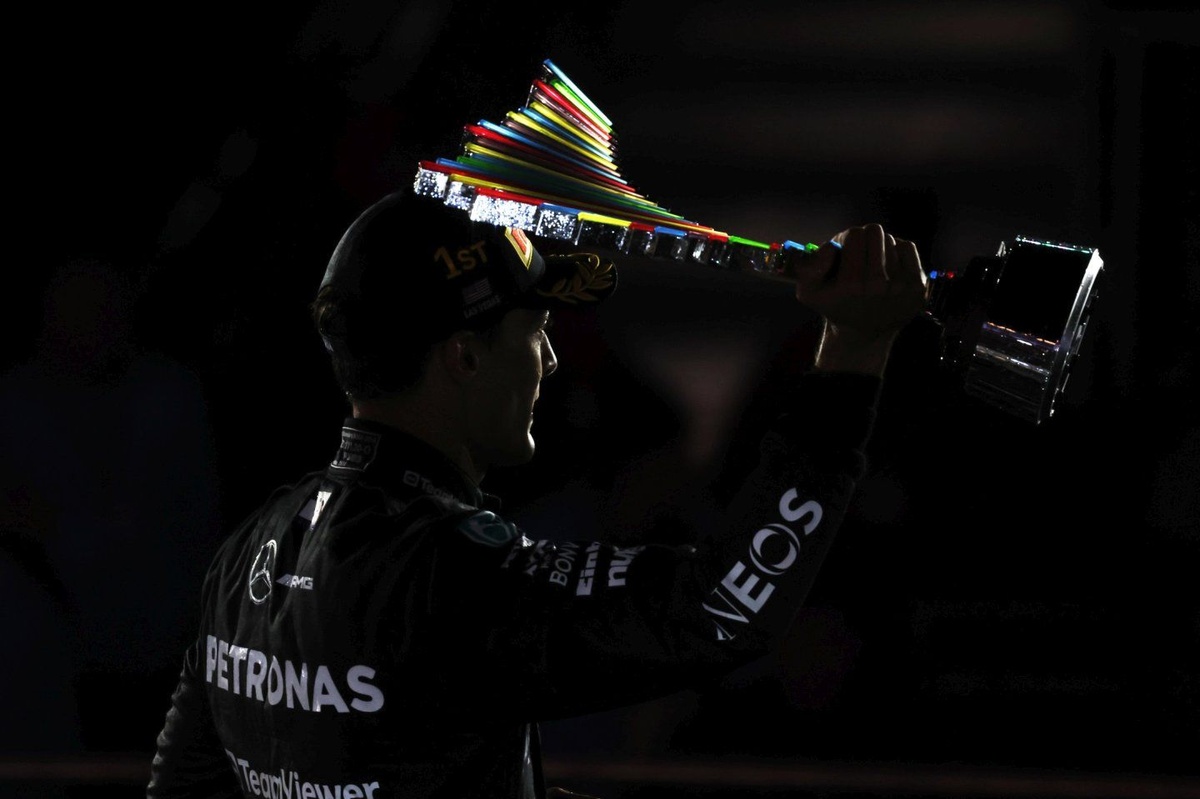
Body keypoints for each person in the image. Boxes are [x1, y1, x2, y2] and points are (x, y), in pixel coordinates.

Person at [146, 186, 927, 798]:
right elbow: (723, 606)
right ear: (464, 357)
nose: (549, 360)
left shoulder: (243, 553)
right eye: (533, 332)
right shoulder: (450, 576)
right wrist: (854, 350)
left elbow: (185, 788)